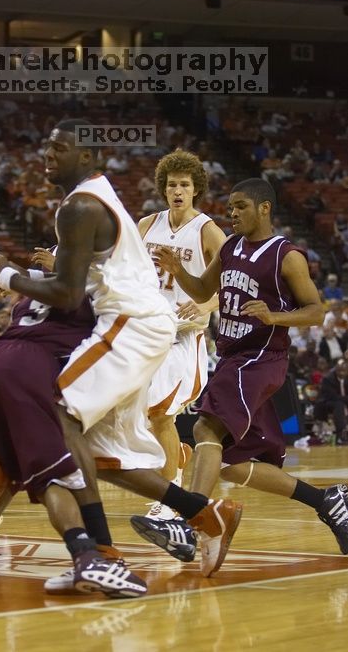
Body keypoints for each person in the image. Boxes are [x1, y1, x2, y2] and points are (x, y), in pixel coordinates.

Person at [0, 119, 243, 581]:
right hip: (135, 321)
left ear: (85, 156)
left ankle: (99, 552)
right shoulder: (132, 216)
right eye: (46, 144)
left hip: (141, 326)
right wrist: (41, 278)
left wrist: (6, 275)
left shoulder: (87, 204)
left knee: (58, 411)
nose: (46, 153)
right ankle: (203, 513)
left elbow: (71, 292)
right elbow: (99, 277)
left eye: (57, 147)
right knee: (99, 452)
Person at [130, 178, 348, 560]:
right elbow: (201, 291)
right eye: (230, 207)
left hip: (261, 358)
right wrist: (175, 270)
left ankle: (189, 521)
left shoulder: (286, 255)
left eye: (240, 206)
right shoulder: (230, 247)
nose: (232, 214)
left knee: (205, 427)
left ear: (264, 208)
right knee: (231, 465)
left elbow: (316, 310)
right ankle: (328, 501)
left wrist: (274, 316)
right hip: (234, 358)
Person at [0, 290, 148, 599]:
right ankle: (87, 557)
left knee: (3, 465)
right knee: (53, 475)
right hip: (27, 367)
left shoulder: (42, 282)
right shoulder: (96, 281)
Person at [138, 149, 226, 519]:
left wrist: (207, 306)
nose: (177, 190)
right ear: (164, 188)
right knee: (140, 417)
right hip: (145, 332)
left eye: (184, 185)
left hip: (183, 338)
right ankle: (174, 460)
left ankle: (170, 496)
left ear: (195, 190)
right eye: (172, 184)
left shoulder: (207, 230)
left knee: (160, 415)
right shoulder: (146, 225)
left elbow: (237, 281)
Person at [313, 360, 348, 445]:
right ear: (336, 369)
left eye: (344, 370)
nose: (342, 373)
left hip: (343, 401)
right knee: (339, 405)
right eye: (340, 370)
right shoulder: (328, 379)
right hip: (327, 403)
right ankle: (341, 435)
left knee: (340, 404)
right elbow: (333, 396)